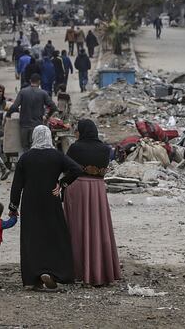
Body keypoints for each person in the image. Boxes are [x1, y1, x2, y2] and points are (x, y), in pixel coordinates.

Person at [9, 125, 83, 290]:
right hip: (51, 199)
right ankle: (53, 272)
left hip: (30, 202)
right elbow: (76, 169)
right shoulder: (56, 156)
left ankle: (33, 278)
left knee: (32, 238)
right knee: (54, 235)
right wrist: (62, 183)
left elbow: (17, 185)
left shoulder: (26, 158)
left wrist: (13, 206)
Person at [64, 119, 121, 286]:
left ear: (81, 131)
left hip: (77, 188)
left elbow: (68, 167)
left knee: (77, 228)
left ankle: (77, 270)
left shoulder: (75, 148)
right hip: (97, 190)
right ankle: (98, 269)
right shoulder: (105, 149)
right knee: (97, 227)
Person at [6, 74, 57, 155]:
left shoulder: (23, 92)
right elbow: (53, 107)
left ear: (30, 81)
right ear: (39, 82)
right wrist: (47, 116)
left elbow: (14, 106)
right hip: (37, 127)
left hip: (24, 126)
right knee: (36, 148)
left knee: (25, 149)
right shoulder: (43, 93)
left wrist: (7, 116)